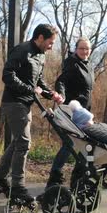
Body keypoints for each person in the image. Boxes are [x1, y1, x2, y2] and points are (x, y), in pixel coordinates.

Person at [0, 24, 64, 204]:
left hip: (25, 103)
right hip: (13, 102)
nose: (51, 46)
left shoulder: (41, 55)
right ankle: (18, 188)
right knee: (23, 143)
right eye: (50, 42)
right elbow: (7, 75)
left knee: (17, 142)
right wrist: (30, 90)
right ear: (39, 37)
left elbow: (38, 81)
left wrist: (50, 93)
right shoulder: (22, 50)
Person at [45, 37, 94, 189]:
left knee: (85, 143)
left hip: (84, 111)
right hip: (72, 111)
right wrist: (62, 95)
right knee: (70, 143)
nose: (85, 51)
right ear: (76, 49)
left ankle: (78, 177)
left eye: (87, 49)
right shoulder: (72, 63)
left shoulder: (88, 65)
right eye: (81, 48)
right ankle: (55, 175)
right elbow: (61, 81)